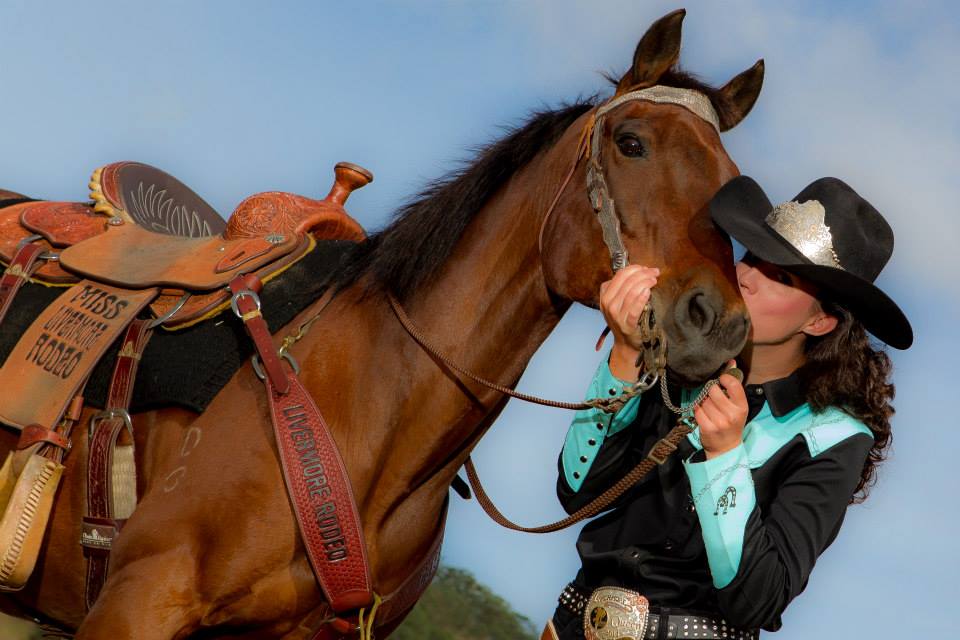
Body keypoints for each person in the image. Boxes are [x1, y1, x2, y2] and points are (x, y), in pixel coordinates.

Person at [547, 176, 913, 640]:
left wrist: (724, 457)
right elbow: (576, 493)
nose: (748, 278)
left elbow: (757, 599)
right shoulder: (673, 368)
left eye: (781, 277)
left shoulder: (835, 438)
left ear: (820, 321)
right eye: (754, 258)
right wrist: (623, 354)